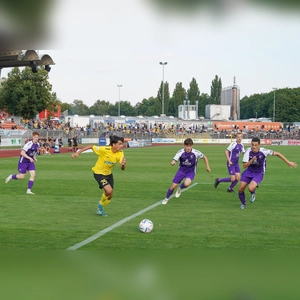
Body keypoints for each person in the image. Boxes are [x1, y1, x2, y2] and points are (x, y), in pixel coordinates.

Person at [72, 135, 126, 216]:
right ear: (113, 144)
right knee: (108, 191)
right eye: (119, 144)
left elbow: (122, 168)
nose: (121, 146)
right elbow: (91, 146)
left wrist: (123, 164)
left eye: (122, 144)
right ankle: (100, 205)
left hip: (108, 174)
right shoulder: (104, 149)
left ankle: (100, 206)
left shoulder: (120, 153)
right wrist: (78, 153)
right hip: (99, 173)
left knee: (110, 195)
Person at [238, 137, 297, 209]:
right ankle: (243, 204)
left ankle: (253, 192)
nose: (254, 147)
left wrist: (288, 162)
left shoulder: (264, 151)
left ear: (259, 145)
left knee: (250, 188)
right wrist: (252, 160)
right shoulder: (248, 151)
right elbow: (244, 166)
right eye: (252, 145)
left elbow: (277, 153)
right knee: (240, 189)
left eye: (256, 145)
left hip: (259, 172)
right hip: (249, 171)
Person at [162, 138, 211, 205]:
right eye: (187, 146)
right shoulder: (180, 152)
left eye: (190, 146)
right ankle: (166, 198)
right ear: (184, 145)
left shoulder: (196, 152)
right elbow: (175, 159)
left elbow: (204, 157)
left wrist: (207, 166)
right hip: (181, 171)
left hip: (190, 172)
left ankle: (180, 188)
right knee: (173, 186)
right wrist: (173, 162)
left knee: (187, 184)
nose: (188, 147)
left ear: (192, 146)